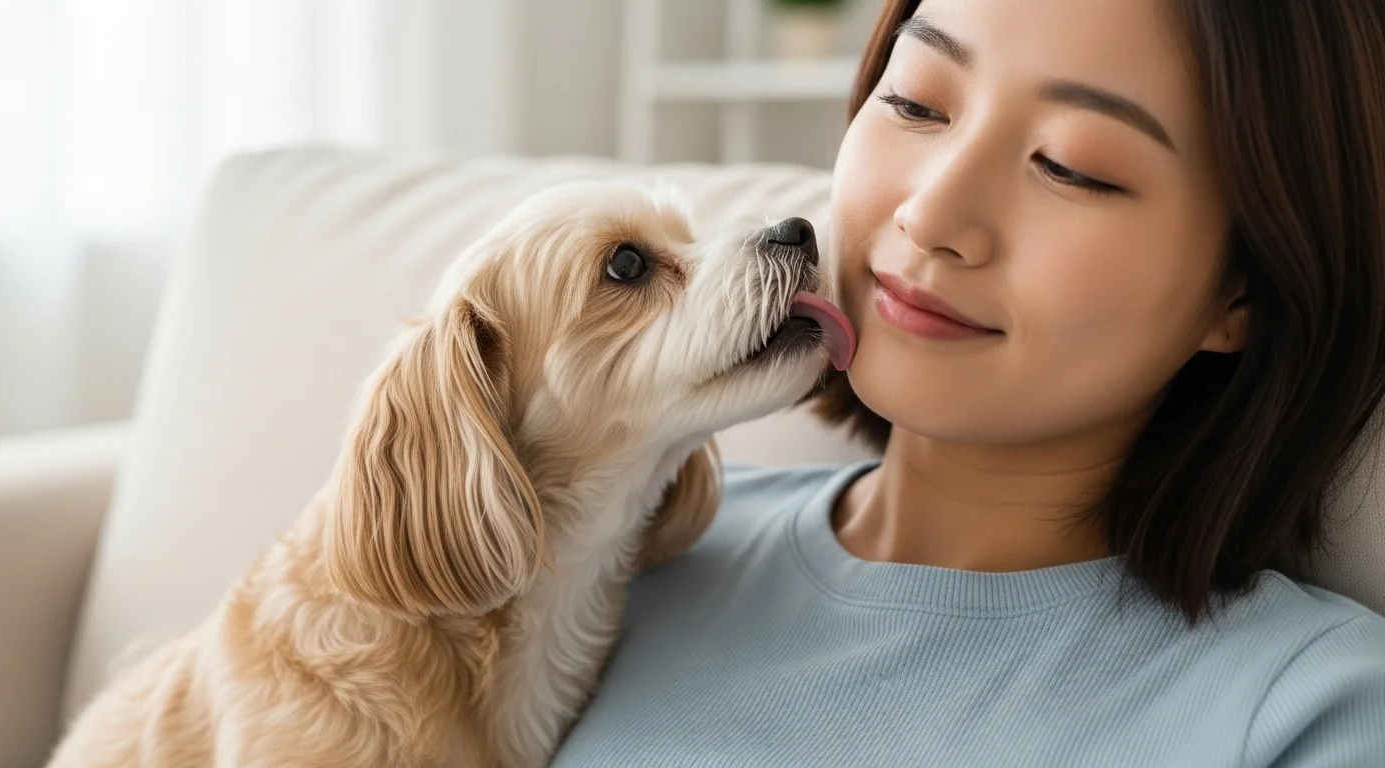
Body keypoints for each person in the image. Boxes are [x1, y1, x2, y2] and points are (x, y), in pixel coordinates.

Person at [551, 0, 1385, 764]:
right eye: (916, 103)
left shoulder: (1308, 711)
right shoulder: (599, 560)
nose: (932, 214)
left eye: (1071, 166)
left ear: (1243, 290)